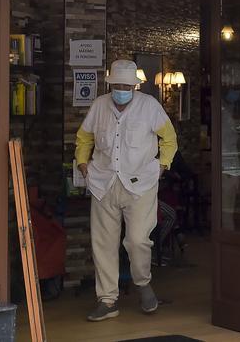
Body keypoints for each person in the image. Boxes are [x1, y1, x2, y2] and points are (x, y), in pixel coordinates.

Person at [75, 59, 178, 322]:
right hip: (103, 183)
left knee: (137, 240)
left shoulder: (149, 106)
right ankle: (107, 300)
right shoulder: (99, 106)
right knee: (103, 244)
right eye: (117, 85)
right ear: (111, 85)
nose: (121, 90)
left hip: (141, 184)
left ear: (134, 86)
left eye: (126, 86)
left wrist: (162, 166)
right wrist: (83, 164)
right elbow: (84, 138)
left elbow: (169, 139)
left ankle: (143, 283)